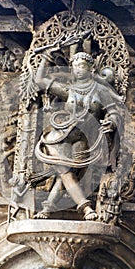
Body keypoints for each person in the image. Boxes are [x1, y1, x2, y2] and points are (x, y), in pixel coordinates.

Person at [34, 51, 123, 220]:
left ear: (91, 68)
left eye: (82, 66)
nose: (78, 70)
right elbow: (39, 81)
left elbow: (113, 112)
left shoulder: (101, 91)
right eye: (75, 66)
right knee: (65, 171)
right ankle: (86, 207)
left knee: (70, 174)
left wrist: (111, 122)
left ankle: (47, 208)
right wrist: (46, 56)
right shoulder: (68, 90)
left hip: (85, 139)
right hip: (60, 136)